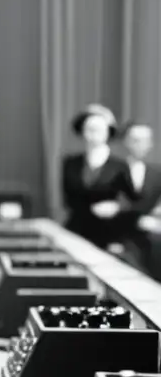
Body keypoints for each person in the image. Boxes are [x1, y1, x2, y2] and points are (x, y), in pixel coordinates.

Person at [61, 104, 126, 248]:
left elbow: (131, 200)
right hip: (76, 231)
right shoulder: (70, 163)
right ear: (82, 132)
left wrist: (118, 207)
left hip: (110, 233)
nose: (93, 134)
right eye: (89, 129)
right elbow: (67, 199)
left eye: (98, 129)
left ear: (108, 132)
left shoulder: (120, 166)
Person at [110, 123, 161, 272]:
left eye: (145, 140)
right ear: (125, 141)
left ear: (151, 143)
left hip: (150, 245)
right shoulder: (111, 170)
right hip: (118, 239)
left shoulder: (157, 174)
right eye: (135, 139)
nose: (140, 145)